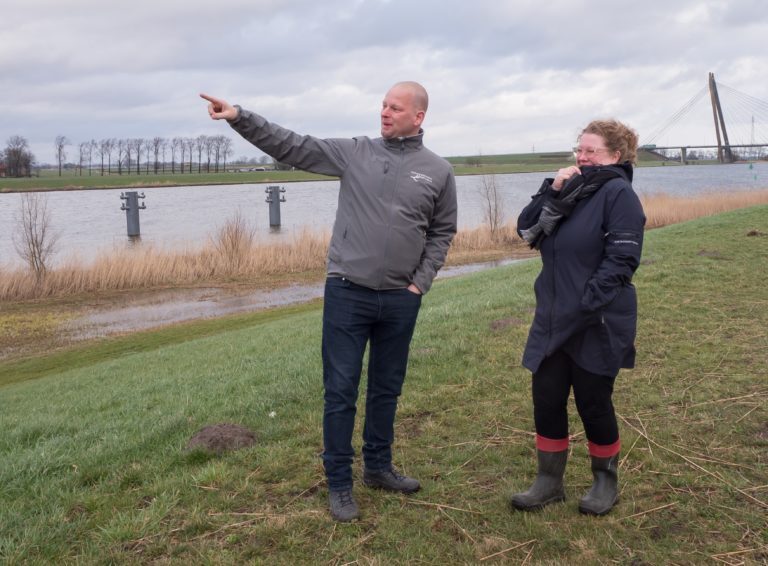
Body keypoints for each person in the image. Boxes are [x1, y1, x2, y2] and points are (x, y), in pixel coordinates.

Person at [200, 82, 457, 522]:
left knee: (386, 389)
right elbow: (293, 146)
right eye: (382, 105)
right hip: (347, 293)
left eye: (395, 108)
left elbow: (442, 232)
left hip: (400, 298)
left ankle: (378, 467)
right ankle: (339, 482)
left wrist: (419, 284)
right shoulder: (355, 153)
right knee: (340, 392)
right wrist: (240, 117)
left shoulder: (437, 170)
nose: (384, 112)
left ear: (419, 117)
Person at [512, 119, 645, 516]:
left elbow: (622, 260)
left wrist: (586, 303)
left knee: (593, 401)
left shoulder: (618, 194)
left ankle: (605, 481)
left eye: (592, 151)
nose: (582, 157)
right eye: (580, 150)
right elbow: (525, 229)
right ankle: (548, 482)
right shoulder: (569, 190)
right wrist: (551, 189)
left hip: (595, 318)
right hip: (554, 315)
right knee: (546, 399)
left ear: (615, 156)